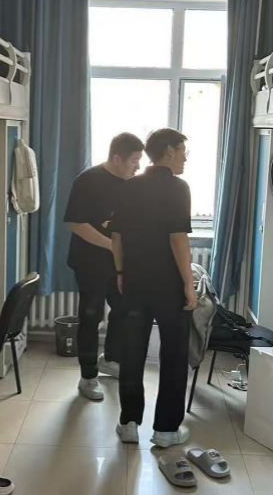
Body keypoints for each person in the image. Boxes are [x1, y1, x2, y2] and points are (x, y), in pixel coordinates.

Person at [111, 129, 197, 448]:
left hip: (135, 282)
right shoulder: (178, 188)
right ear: (169, 151)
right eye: (183, 151)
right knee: (173, 354)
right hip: (169, 286)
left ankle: (129, 423)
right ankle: (165, 430)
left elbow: (116, 237)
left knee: (132, 352)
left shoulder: (129, 186)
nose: (185, 158)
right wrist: (188, 284)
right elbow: (178, 239)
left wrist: (121, 272)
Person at [64, 133, 144, 401]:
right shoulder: (87, 181)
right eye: (134, 161)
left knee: (123, 311)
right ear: (117, 158)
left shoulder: (132, 183)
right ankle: (87, 376)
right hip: (90, 263)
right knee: (91, 315)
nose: (137, 167)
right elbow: (77, 224)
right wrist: (112, 245)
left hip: (120, 265)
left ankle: (110, 359)